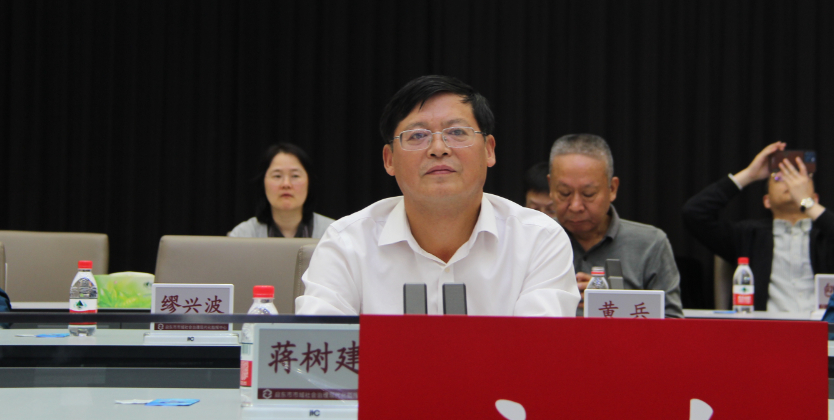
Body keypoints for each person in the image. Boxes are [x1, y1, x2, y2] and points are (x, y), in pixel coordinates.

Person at [296, 75, 580, 316]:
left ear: (489, 150)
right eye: (417, 136)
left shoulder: (538, 239)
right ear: (389, 160)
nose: (438, 148)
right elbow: (321, 350)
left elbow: (540, 351)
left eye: (457, 132)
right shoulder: (347, 242)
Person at [682, 142, 834, 313]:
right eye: (779, 178)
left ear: (816, 199)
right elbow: (694, 213)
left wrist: (807, 203)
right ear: (766, 201)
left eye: (798, 179)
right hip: (766, 325)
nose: (790, 183)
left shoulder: (826, 235)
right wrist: (749, 175)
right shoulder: (749, 235)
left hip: (824, 327)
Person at [548, 134, 684, 318]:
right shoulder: (537, 239)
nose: (575, 206)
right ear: (550, 187)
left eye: (588, 194)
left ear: (612, 188)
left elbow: (672, 323)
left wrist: (612, 303)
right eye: (564, 193)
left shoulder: (650, 244)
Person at [229, 143, 335, 239]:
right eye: (277, 176)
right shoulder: (242, 235)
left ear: (309, 182)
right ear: (263, 182)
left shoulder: (332, 233)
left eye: (295, 176)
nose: (286, 184)